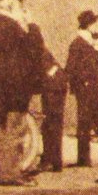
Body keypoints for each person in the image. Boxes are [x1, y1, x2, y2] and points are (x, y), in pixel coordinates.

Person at [0, 0, 49, 186]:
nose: (22, 8)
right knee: (14, 130)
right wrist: (31, 25)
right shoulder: (10, 27)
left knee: (7, 130)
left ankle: (9, 171)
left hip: (5, 88)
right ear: (12, 5)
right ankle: (10, 174)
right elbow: (34, 49)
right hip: (14, 88)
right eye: (20, 4)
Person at [66, 10, 98, 167]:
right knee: (86, 123)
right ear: (88, 26)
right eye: (95, 23)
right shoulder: (78, 44)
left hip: (96, 88)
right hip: (85, 89)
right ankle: (86, 159)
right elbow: (71, 69)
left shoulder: (97, 44)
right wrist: (84, 82)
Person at [37, 44, 67, 172]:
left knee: (51, 123)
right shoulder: (39, 48)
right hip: (56, 84)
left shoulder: (32, 48)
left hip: (52, 85)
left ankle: (51, 160)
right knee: (53, 123)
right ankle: (54, 161)